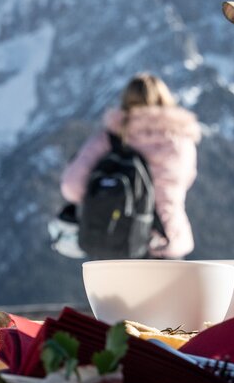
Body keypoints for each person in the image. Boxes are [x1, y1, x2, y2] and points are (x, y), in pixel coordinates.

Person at [60, 73, 201, 259]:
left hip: (118, 237)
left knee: (113, 289)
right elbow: (184, 180)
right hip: (166, 239)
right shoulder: (181, 142)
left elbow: (71, 187)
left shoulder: (111, 138)